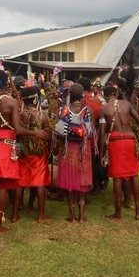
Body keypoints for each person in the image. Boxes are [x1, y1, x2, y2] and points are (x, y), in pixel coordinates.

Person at [0, 69, 47, 234]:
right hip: (7, 146)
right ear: (6, 83)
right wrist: (36, 133)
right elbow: (18, 130)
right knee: (4, 186)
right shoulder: (11, 102)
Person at [99, 85, 139, 221]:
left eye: (105, 97)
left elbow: (101, 133)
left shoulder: (104, 109)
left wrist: (102, 154)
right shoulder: (127, 104)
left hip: (116, 143)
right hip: (130, 141)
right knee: (134, 175)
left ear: (108, 95)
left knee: (117, 178)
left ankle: (118, 214)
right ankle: (138, 212)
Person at [54, 83, 95, 223]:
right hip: (83, 150)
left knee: (69, 181)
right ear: (81, 95)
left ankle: (72, 217)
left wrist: (69, 131)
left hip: (68, 150)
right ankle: (82, 217)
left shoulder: (64, 111)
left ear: (69, 95)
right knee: (82, 181)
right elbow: (89, 132)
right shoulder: (86, 111)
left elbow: (59, 131)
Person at [14, 86, 53, 223]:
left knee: (20, 182)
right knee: (39, 183)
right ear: (36, 99)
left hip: (23, 151)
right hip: (38, 152)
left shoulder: (19, 114)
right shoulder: (42, 115)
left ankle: (14, 214)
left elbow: (16, 132)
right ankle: (41, 215)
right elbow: (48, 133)